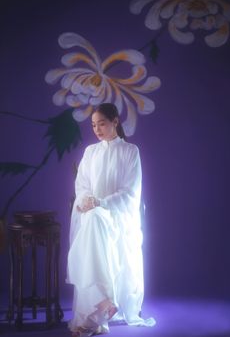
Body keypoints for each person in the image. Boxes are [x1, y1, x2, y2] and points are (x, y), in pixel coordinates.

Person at [66, 103, 155, 336]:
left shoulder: (130, 151)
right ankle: (103, 302)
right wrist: (85, 200)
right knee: (93, 222)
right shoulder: (90, 152)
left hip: (117, 218)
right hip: (93, 216)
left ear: (115, 121)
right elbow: (82, 185)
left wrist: (100, 203)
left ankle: (93, 317)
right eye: (93, 125)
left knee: (95, 223)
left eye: (102, 123)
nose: (97, 129)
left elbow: (130, 192)